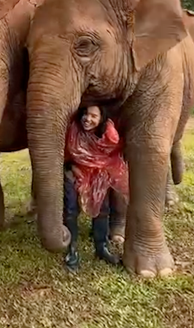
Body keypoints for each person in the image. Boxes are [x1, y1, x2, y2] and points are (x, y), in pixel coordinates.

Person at [62, 105, 129, 270]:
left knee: (102, 209)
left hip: (98, 175)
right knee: (70, 209)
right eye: (85, 114)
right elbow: (65, 156)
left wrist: (98, 174)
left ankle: (101, 247)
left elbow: (113, 156)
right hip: (75, 172)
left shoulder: (108, 134)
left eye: (93, 116)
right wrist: (76, 171)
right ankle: (72, 250)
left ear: (101, 119)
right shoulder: (73, 131)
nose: (88, 119)